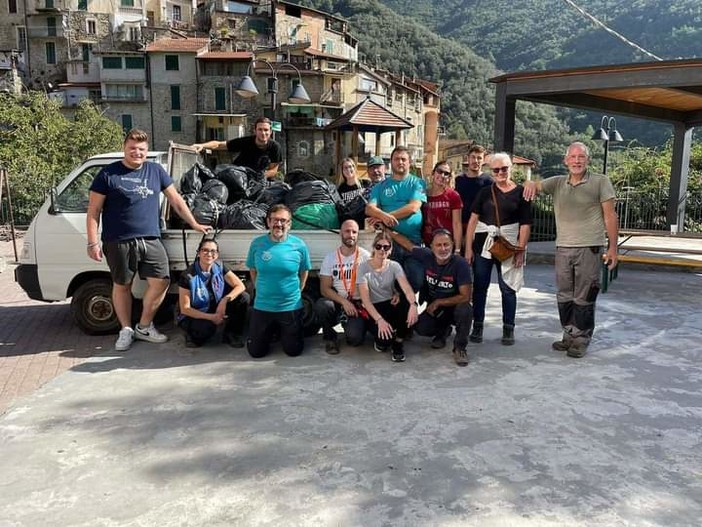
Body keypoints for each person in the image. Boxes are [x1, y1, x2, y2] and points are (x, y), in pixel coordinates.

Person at [87, 128, 210, 352]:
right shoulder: (108, 174)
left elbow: (177, 200)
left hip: (151, 237)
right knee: (122, 286)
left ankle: (144, 325)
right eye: (132, 148)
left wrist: (194, 223)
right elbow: (93, 211)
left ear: (146, 151)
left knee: (161, 281)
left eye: (141, 149)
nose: (137, 152)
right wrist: (93, 242)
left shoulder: (155, 171)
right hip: (118, 240)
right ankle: (125, 330)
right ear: (124, 148)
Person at [523, 141, 618, 358]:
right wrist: (529, 182)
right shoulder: (557, 183)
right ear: (565, 161)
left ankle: (581, 339)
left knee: (584, 296)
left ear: (588, 160)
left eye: (581, 157)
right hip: (563, 248)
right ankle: (569, 334)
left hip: (589, 247)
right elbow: (535, 186)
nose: (577, 160)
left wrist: (613, 248)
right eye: (573, 157)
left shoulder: (600, 182)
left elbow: (610, 215)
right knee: (564, 295)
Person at [465, 152, 532, 346]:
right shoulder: (485, 192)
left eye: (504, 168)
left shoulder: (522, 193)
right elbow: (472, 222)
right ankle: (477, 325)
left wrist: (521, 250)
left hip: (509, 246)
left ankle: (508, 328)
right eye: (496, 169)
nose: (500, 172)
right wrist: (468, 248)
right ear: (491, 171)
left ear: (511, 168)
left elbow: (525, 225)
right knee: (480, 287)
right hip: (483, 246)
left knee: (508, 288)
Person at [388, 228, 473, 367]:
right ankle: (443, 332)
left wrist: (439, 302)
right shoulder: (426, 255)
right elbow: (407, 244)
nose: (443, 249)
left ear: (452, 245)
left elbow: (465, 296)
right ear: (431, 247)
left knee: (465, 309)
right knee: (421, 328)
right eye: (438, 245)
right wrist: (387, 230)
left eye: (446, 244)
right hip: (437, 309)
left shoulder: (460, 264)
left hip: (454, 306)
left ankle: (460, 348)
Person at [245, 204, 312, 358]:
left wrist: (298, 291)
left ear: (289, 223)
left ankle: (280, 333)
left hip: (290, 306)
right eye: (275, 220)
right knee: (256, 352)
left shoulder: (299, 245)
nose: (279, 224)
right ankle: (273, 332)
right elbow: (253, 269)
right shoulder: (257, 244)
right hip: (263, 305)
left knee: (293, 351)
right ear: (268, 222)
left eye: (283, 220)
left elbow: (304, 271)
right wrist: (260, 289)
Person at [365, 145, 427, 292]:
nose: (400, 162)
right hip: (388, 243)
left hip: (412, 241)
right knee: (388, 285)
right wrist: (383, 216)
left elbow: (413, 207)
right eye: (396, 159)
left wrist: (386, 218)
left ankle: (408, 309)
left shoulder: (418, 183)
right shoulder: (380, 186)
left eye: (403, 159)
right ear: (391, 162)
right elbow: (369, 208)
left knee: (416, 281)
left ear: (409, 162)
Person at [356, 232, 419, 363]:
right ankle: (383, 340)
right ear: (373, 248)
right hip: (374, 308)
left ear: (390, 250)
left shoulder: (394, 265)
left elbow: (407, 288)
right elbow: (366, 301)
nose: (382, 250)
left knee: (407, 305)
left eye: (386, 247)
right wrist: (379, 320)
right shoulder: (363, 268)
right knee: (384, 342)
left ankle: (398, 342)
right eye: (378, 246)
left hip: (389, 303)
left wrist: (414, 304)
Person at [177, 238, 249, 348]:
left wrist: (225, 301)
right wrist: (211, 317)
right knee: (204, 331)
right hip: (195, 313)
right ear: (199, 253)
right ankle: (191, 335)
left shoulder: (219, 267)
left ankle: (231, 334)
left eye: (213, 251)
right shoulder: (188, 275)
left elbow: (240, 286)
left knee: (244, 297)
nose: (209, 254)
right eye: (205, 250)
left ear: (217, 255)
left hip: (215, 305)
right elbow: (185, 309)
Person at [314, 219, 371, 354]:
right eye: (347, 231)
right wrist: (344, 302)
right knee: (322, 305)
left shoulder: (365, 257)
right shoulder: (330, 258)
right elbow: (324, 289)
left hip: (357, 304)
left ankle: (352, 326)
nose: (350, 235)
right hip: (339, 302)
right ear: (340, 233)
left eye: (354, 232)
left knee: (355, 340)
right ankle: (330, 338)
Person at [191, 117, 282, 179]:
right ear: (255, 131)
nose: (263, 133)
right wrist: (202, 145)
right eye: (260, 129)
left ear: (270, 132)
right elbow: (219, 145)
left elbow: (273, 170)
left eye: (266, 130)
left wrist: (260, 176)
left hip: (257, 180)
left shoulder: (275, 147)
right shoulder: (246, 142)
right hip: (237, 175)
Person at [421, 160, 463, 251]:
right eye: (439, 171)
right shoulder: (423, 195)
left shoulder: (453, 195)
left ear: (449, 177)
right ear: (433, 173)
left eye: (446, 173)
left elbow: (457, 224)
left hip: (445, 246)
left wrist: (458, 249)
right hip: (427, 245)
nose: (442, 176)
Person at [455, 145, 492, 233]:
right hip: (460, 226)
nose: (476, 161)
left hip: (481, 227)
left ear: (483, 160)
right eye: (473, 157)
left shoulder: (489, 182)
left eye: (479, 158)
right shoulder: (458, 180)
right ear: (468, 159)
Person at [336, 158, 371, 226]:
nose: (348, 170)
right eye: (345, 168)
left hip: (364, 224)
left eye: (350, 166)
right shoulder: (340, 189)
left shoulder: (365, 184)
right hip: (349, 225)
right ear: (342, 171)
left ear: (354, 168)